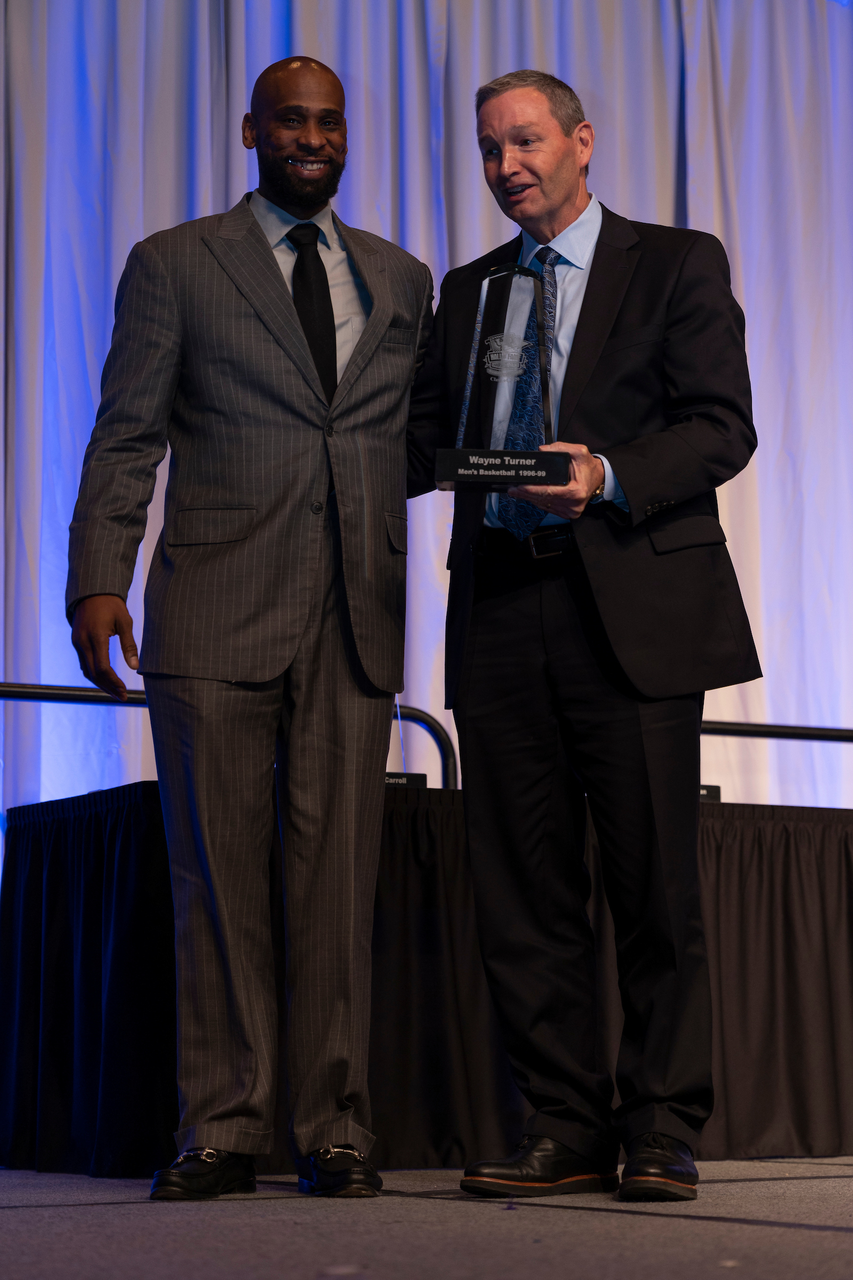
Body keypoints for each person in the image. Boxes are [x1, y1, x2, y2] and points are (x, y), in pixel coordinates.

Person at [67, 57, 432, 1201]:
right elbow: (127, 435)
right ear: (249, 132)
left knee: (338, 885)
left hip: (354, 615)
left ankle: (334, 1127)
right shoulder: (175, 263)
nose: (311, 138)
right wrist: (95, 578)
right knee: (215, 876)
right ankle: (221, 1125)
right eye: (291, 120)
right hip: (215, 606)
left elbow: (420, 441)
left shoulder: (402, 278)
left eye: (328, 122)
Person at [407, 69, 760, 1202]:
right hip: (503, 607)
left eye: (524, 142)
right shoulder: (465, 291)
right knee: (523, 885)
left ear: (581, 141)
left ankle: (659, 1123)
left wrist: (608, 473)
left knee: (654, 880)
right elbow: (421, 440)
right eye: (488, 150)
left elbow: (721, 425)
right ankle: (560, 1123)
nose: (506, 166)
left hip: (633, 609)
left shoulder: (676, 260)